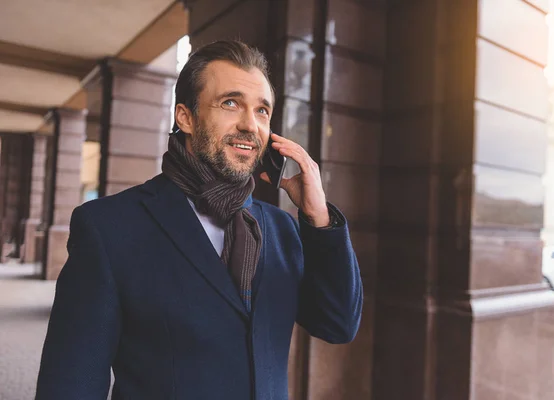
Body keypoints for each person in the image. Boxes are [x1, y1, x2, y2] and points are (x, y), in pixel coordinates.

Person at [35, 40, 363, 400]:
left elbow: (338, 324)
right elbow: (69, 383)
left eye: (263, 111)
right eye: (231, 103)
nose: (250, 125)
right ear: (186, 117)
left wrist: (318, 217)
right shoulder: (108, 227)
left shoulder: (283, 228)